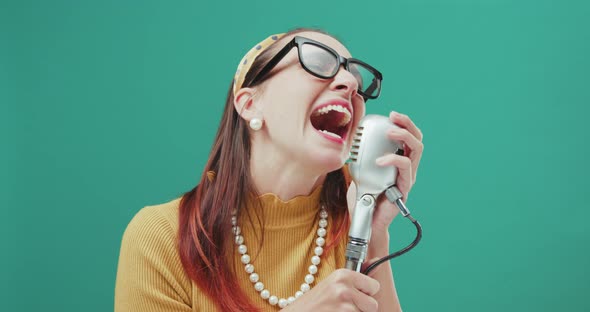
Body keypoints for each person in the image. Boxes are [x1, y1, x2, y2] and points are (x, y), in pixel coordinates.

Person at [115, 28, 424, 312]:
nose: (351, 84)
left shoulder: (355, 218)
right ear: (250, 104)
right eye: (317, 60)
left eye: (356, 76)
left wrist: (374, 233)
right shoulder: (161, 236)